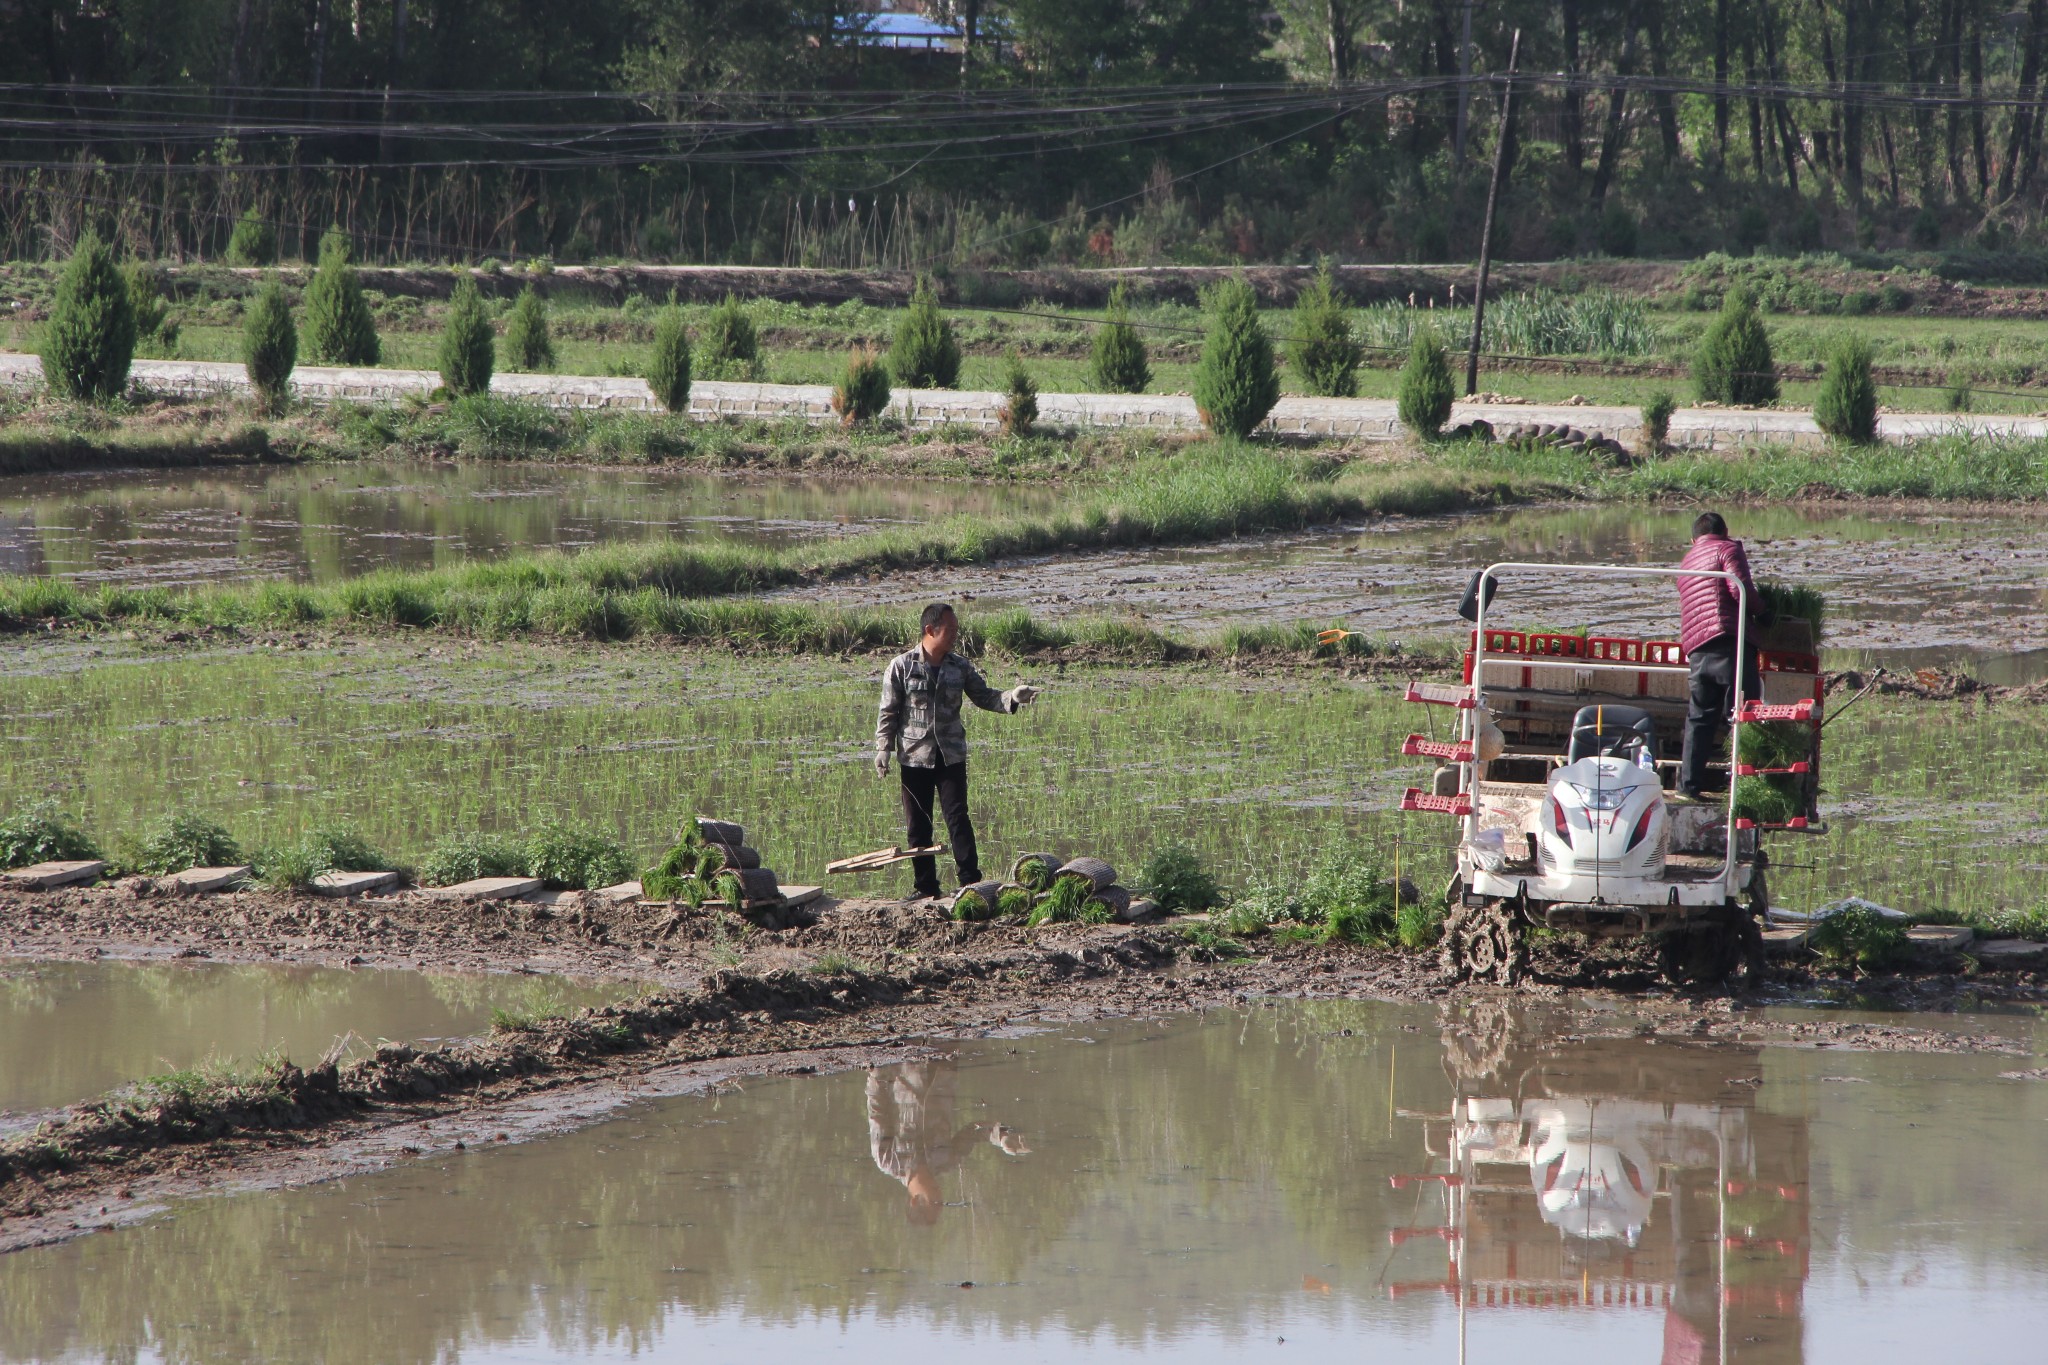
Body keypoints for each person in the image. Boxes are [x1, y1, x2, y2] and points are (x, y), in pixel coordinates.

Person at [875, 602, 1038, 901]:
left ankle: (970, 883)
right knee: (918, 825)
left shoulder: (959, 666)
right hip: (914, 757)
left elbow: (984, 696)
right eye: (949, 631)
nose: (954, 637)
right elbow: (889, 712)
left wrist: (1012, 698)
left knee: (957, 818)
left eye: (956, 631)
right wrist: (883, 749)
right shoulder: (901, 666)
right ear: (930, 630)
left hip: (950, 756)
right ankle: (925, 888)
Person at [866, 1058, 1031, 1225]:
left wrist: (876, 1072)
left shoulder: (887, 1159)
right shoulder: (948, 1160)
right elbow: (973, 1132)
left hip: (907, 1062)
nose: (940, 1196)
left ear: (914, 1200)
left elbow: (878, 1109)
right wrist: (1002, 1137)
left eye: (935, 1202)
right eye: (941, 1203)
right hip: (945, 1065)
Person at [1675, 511, 1762, 800]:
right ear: (1725, 531)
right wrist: (1765, 612)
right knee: (1742, 714)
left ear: (1693, 539)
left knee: (1699, 718)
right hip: (1728, 640)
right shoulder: (1728, 548)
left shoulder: (1687, 560)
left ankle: (1688, 787)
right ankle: (1743, 788)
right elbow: (1740, 590)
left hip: (1698, 649)